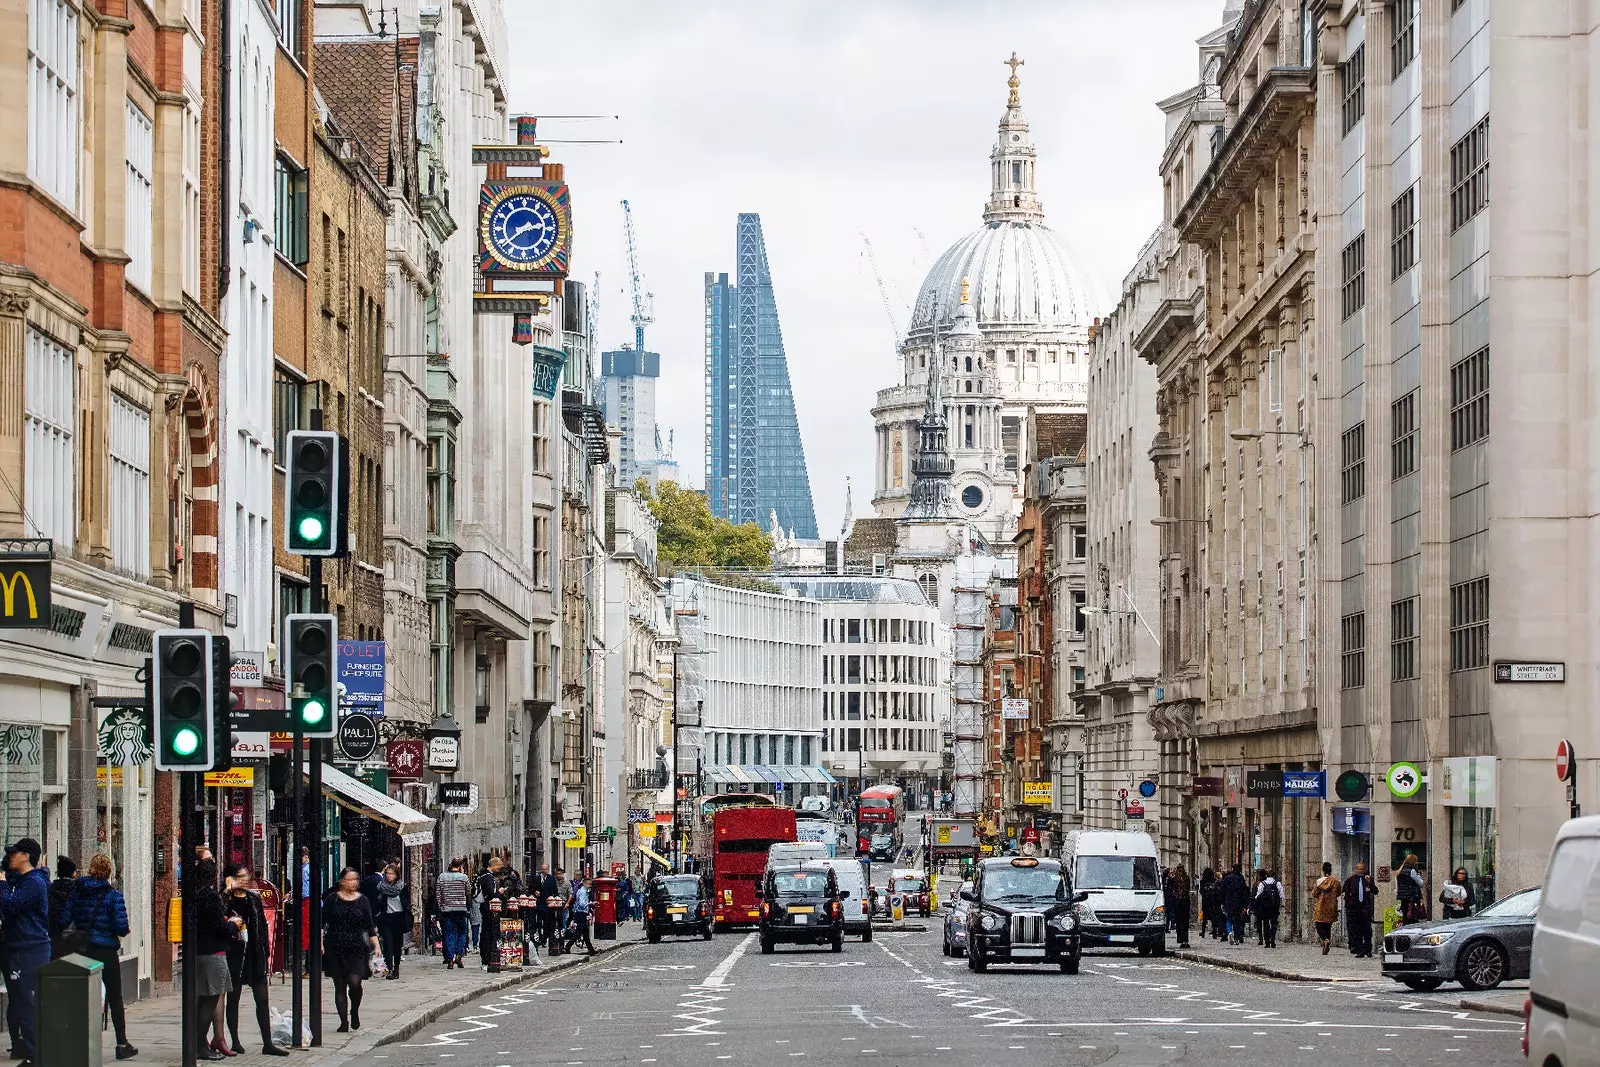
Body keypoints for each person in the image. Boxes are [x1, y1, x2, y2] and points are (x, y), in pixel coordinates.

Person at [62, 854, 138, 1059]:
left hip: (83, 949)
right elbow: (121, 927)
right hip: (106, 951)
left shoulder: (78, 892)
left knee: (82, 997)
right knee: (115, 997)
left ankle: (77, 1043)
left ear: (91, 869)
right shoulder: (113, 895)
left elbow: (64, 919)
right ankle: (122, 1043)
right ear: (109, 872)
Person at [223, 864, 286, 1056]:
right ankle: (234, 1041)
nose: (244, 880)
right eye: (239, 876)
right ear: (231, 878)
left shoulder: (253, 897)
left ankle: (268, 1043)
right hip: (235, 954)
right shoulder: (226, 898)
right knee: (233, 998)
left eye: (246, 876)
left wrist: (265, 951)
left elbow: (261, 927)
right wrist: (227, 891)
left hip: (254, 954)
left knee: (262, 999)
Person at [1, 839, 51, 1066]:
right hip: (19, 947)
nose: (11, 856)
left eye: (15, 852)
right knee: (21, 1003)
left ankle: (36, 1055)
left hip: (30, 949)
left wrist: (1, 884)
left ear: (27, 856)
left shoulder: (34, 883)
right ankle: (32, 1054)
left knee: (27, 1003)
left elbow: (10, 906)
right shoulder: (22, 880)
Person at [191, 856, 240, 1060]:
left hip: (198, 952)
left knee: (203, 997)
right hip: (213, 953)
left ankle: (200, 1042)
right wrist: (233, 925)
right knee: (210, 999)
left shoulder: (194, 894)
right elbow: (217, 927)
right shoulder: (210, 896)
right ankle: (199, 1042)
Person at [323, 868, 380, 1032]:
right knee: (339, 985)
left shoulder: (363, 901)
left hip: (356, 947)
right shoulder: (332, 899)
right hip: (335, 946)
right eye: (350, 879)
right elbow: (321, 922)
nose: (353, 882)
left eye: (355, 879)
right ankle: (343, 1022)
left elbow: (370, 926)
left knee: (355, 982)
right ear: (342, 881)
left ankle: (354, 1011)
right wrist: (320, 943)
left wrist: (376, 946)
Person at [374, 864, 410, 979]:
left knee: (397, 945)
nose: (389, 876)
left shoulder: (402, 887)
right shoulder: (381, 886)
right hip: (386, 918)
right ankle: (390, 968)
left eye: (391, 874)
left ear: (396, 875)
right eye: (387, 873)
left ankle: (397, 967)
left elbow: (407, 903)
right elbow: (377, 902)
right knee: (387, 944)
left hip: (398, 918)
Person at [435, 858, 471, 968]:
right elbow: (468, 893)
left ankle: (450, 959)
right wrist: (466, 906)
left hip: (447, 910)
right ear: (460, 866)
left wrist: (442, 906)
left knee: (448, 934)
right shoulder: (464, 878)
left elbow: (438, 894)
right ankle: (459, 955)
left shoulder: (442, 877)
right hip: (461, 909)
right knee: (462, 932)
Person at [1343, 862, 1379, 958]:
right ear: (1355, 870)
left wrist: (1370, 883)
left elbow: (1375, 891)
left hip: (1365, 909)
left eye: (1362, 869)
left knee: (1367, 931)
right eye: (1359, 869)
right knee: (1357, 931)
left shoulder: (1368, 879)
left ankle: (1368, 949)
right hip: (1354, 909)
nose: (1360, 871)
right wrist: (1349, 903)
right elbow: (1344, 892)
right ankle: (1360, 950)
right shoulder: (1350, 880)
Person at [47, 856, 77, 959]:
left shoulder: (50, 888)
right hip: (73, 938)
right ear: (72, 873)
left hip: (53, 936)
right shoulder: (77, 890)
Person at [1311, 861, 1342, 955]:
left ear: (1323, 870)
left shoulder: (1319, 882)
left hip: (1321, 907)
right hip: (1331, 907)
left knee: (1318, 925)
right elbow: (1339, 892)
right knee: (1328, 926)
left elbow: (1314, 894)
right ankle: (1327, 942)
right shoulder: (1335, 882)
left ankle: (1325, 939)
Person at [1217, 863, 1250, 945]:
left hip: (1228, 901)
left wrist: (1222, 902)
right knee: (1237, 920)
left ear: (1232, 869)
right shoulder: (1241, 879)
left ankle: (1229, 932)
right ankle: (1236, 938)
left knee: (1228, 918)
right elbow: (1244, 893)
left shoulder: (1227, 879)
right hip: (1238, 902)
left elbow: (1222, 891)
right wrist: (1245, 905)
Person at [567, 875, 597, 955]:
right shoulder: (583, 892)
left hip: (582, 913)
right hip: (581, 913)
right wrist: (590, 903)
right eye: (589, 884)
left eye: (590, 884)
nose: (590, 886)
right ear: (584, 884)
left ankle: (591, 950)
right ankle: (567, 947)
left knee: (585, 933)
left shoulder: (583, 891)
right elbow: (582, 904)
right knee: (579, 932)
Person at [1254, 868, 1284, 948]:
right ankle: (1273, 940)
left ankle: (1267, 942)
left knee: (1266, 924)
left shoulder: (1262, 884)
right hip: (1274, 907)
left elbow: (1258, 896)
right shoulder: (1277, 883)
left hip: (1265, 907)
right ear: (1274, 875)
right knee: (1274, 923)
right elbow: (1281, 896)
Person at [533, 863, 559, 948]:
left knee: (547, 923)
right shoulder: (536, 878)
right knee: (539, 922)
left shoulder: (552, 879)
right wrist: (535, 892)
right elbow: (531, 888)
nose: (544, 871)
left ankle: (544, 939)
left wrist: (553, 899)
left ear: (548, 870)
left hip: (548, 904)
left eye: (546, 869)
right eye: (543, 869)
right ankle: (540, 938)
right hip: (539, 904)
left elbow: (555, 891)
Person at [1395, 854, 1427, 925]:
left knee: (1405, 918)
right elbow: (1420, 884)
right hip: (1412, 898)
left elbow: (1397, 887)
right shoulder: (1412, 871)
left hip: (1403, 899)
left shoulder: (1399, 871)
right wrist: (1419, 876)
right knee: (1413, 918)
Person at [1167, 863, 1192, 948]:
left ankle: (1181, 939)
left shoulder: (1174, 879)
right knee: (1185, 922)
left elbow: (1170, 889)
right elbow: (1188, 888)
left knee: (1179, 921)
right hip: (1185, 901)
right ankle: (1185, 940)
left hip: (1177, 902)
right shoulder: (1187, 877)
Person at [1197, 867, 1219, 940]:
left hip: (1205, 901)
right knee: (1213, 917)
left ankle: (1203, 932)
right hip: (1213, 901)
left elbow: (1201, 891)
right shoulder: (1214, 880)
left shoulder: (1203, 881)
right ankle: (1214, 933)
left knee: (1205, 917)